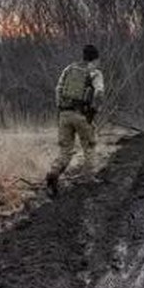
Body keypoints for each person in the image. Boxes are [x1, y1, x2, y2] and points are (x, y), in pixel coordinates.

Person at [46, 44, 105, 196]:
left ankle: (53, 174)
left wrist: (60, 109)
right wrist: (94, 109)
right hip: (82, 115)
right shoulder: (95, 73)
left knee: (65, 150)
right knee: (89, 147)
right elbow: (99, 92)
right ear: (96, 58)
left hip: (64, 114)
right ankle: (89, 180)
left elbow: (58, 90)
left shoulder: (69, 69)